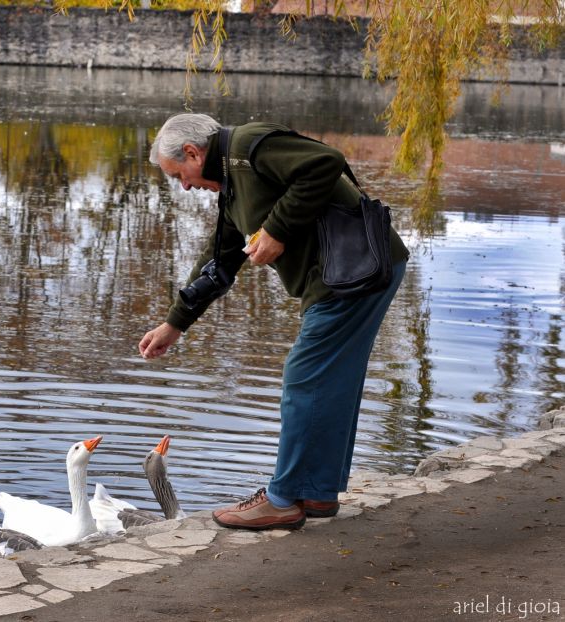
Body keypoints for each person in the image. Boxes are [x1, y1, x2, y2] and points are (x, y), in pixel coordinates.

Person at [139, 113, 409, 531]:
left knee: (305, 376)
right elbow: (220, 262)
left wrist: (277, 229)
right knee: (331, 381)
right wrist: (174, 325)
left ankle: (282, 500)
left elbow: (326, 162)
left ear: (193, 153)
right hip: (350, 273)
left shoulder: (249, 147)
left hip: (355, 271)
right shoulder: (232, 188)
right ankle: (317, 493)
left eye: (180, 175)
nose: (185, 186)